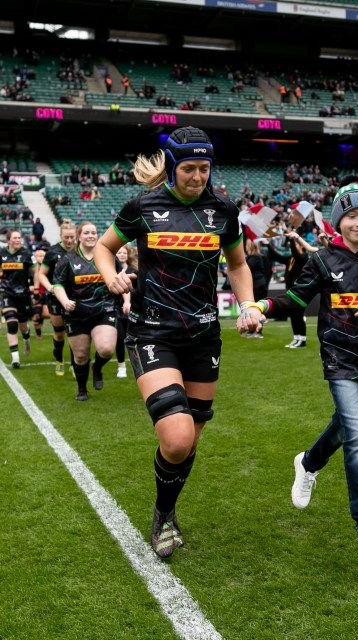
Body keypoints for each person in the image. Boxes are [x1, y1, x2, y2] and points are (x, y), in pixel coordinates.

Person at [93, 126, 262, 558]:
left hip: (204, 336)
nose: (198, 177)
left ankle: (164, 512)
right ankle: (164, 515)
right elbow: (104, 247)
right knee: (177, 438)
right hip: (152, 332)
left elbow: (238, 265)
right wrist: (111, 275)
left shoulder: (223, 211)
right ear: (171, 166)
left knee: (191, 438)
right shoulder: (143, 207)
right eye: (189, 168)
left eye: (205, 168)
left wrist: (248, 306)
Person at [251, 183, 358, 560]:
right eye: (352, 215)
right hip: (338, 358)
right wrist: (261, 306)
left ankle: (308, 462)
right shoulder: (323, 260)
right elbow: (295, 299)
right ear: (338, 221)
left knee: (346, 426)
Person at [52, 222, 125, 401]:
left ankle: (97, 368)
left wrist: (126, 299)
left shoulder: (108, 257)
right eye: (87, 233)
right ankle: (82, 388)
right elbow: (58, 284)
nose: (91, 235)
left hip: (104, 309)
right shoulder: (68, 259)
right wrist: (65, 301)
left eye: (93, 232)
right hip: (76, 313)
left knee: (107, 349)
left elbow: (119, 278)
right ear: (79, 236)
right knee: (81, 355)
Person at [36, 221, 77, 375]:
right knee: (59, 333)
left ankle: (75, 364)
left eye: (72, 237)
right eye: (66, 237)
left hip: (75, 297)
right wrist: (50, 287)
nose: (69, 240)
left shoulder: (80, 250)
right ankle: (59, 360)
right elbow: (41, 274)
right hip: (55, 298)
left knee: (74, 332)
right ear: (60, 236)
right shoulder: (52, 252)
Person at [0, 229, 34, 368]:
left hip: (23, 294)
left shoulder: (26, 254)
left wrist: (36, 286)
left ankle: (26, 337)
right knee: (11, 323)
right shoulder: (2, 254)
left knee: (23, 325)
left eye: (19, 238)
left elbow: (36, 270)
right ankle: (15, 358)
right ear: (8, 240)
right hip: (7, 292)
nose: (18, 240)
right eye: (15, 238)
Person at [266, 230, 312, 348]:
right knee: (293, 315)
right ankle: (296, 338)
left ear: (301, 246)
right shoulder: (291, 258)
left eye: (297, 244)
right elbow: (277, 257)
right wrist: (267, 245)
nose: (294, 246)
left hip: (299, 291)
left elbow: (296, 253)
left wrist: (292, 239)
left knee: (298, 315)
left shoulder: (303, 257)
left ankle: (302, 340)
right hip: (291, 289)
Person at [114, 243, 139, 379]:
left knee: (133, 338)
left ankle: (137, 364)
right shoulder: (111, 271)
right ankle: (121, 366)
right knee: (119, 338)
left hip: (133, 310)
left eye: (124, 252)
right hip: (116, 309)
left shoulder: (134, 270)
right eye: (118, 253)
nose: (121, 255)